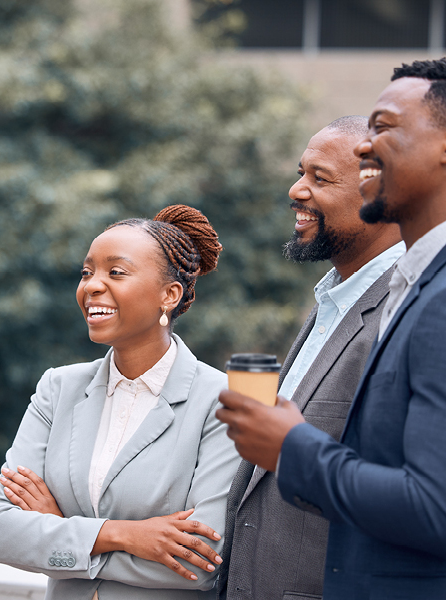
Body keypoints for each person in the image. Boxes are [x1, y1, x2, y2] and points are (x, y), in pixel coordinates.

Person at [216, 58, 446, 598]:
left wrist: (291, 448)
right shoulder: (355, 298)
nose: (367, 148)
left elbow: (433, 505)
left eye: (385, 128)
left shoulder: (433, 300)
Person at [0, 206, 240, 600]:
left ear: (170, 295)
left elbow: (198, 561)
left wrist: (61, 529)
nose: (92, 286)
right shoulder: (58, 388)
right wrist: (125, 535)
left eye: (115, 272)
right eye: (87, 273)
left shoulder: (222, 402)